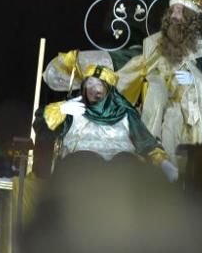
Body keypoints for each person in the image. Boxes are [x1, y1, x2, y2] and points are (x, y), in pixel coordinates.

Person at [113, 0, 202, 158]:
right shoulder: (156, 45)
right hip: (163, 113)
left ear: (191, 18)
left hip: (195, 119)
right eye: (173, 10)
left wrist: (196, 80)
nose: (173, 15)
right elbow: (133, 68)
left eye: (180, 11)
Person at [35, 60, 178, 179]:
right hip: (80, 176)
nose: (92, 88)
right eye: (89, 83)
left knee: (126, 162)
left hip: (120, 178)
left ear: (109, 90)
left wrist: (164, 164)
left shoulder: (126, 113)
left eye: (98, 84)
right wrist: (61, 109)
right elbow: (41, 126)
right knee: (83, 160)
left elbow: (147, 145)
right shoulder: (73, 108)